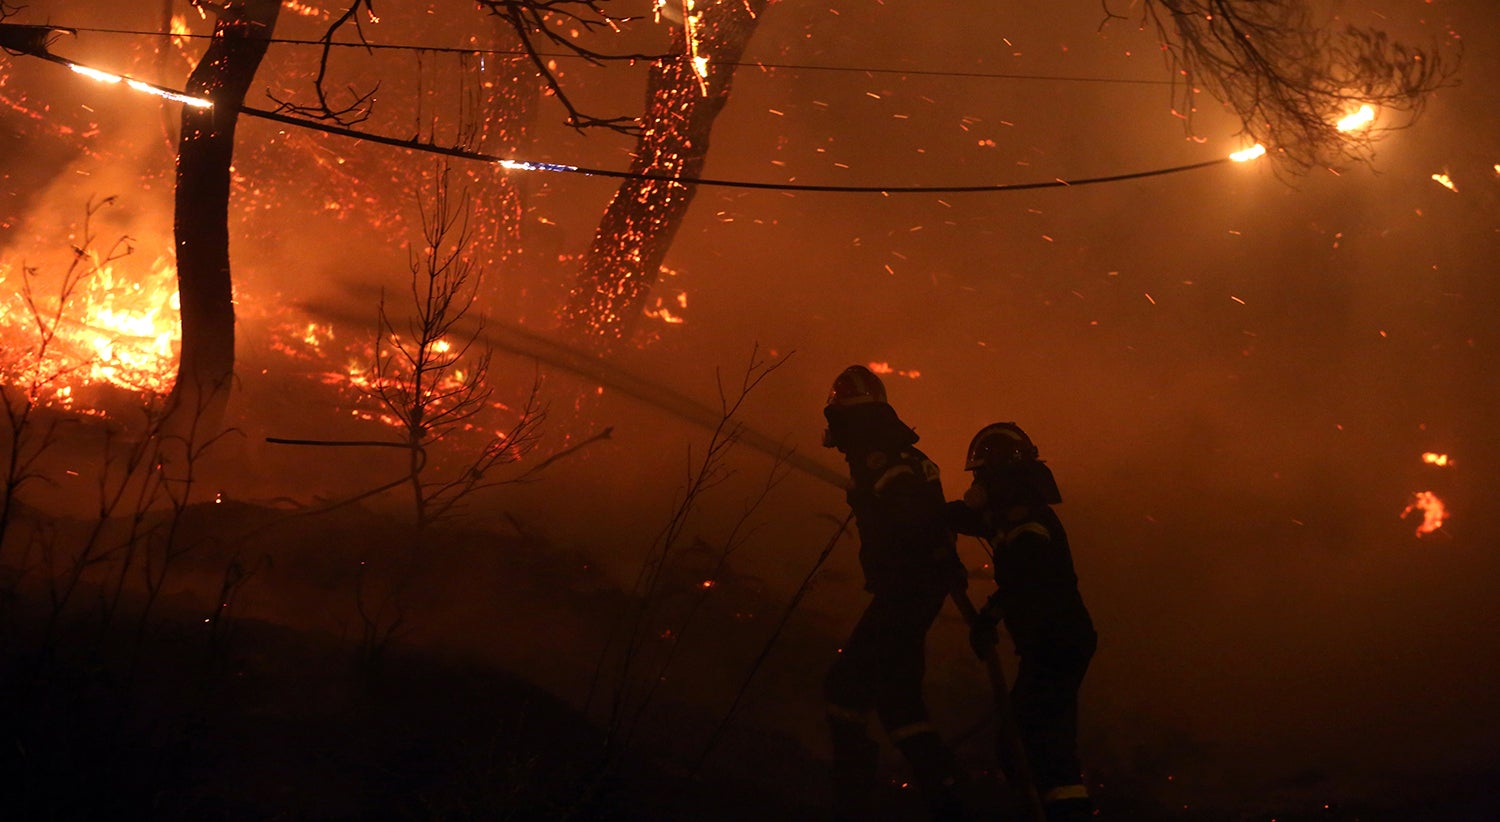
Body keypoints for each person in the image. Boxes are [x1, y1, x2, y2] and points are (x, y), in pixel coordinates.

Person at [820, 365, 968, 821]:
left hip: (904, 592)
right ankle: (947, 797)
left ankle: (852, 800)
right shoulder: (892, 451)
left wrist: (871, 502)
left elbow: (910, 517)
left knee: (844, 690)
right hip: (915, 590)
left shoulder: (878, 454)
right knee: (899, 701)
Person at [948, 422, 1097, 822]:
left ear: (999, 475)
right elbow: (966, 518)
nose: (976, 482)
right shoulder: (1011, 515)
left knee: (1028, 746)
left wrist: (989, 618)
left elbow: (1026, 580)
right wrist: (925, 513)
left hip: (1056, 644)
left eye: (981, 474)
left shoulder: (1027, 522)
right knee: (1033, 744)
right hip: (1055, 643)